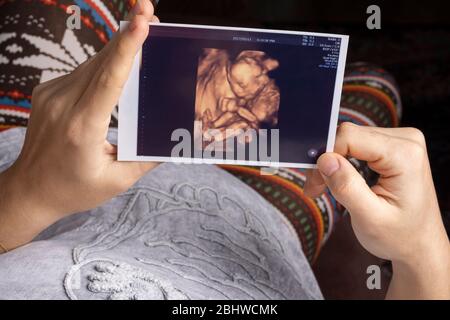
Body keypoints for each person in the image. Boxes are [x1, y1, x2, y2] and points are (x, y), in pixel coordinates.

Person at [0, 0, 448, 300]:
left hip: (49, 167)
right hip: (262, 216)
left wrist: (27, 193)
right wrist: (424, 252)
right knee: (372, 88)